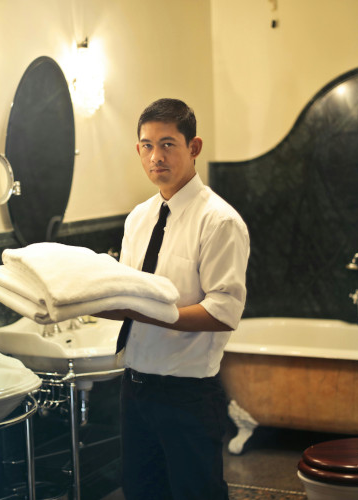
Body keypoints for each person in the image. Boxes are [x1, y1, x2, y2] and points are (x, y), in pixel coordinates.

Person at [102, 98, 249, 500]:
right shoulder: (138, 218)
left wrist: (151, 313)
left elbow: (224, 311)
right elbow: (129, 294)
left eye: (168, 144)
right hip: (134, 388)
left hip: (187, 393)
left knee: (196, 494)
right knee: (142, 492)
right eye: (147, 146)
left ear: (194, 147)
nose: (156, 156)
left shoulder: (219, 221)